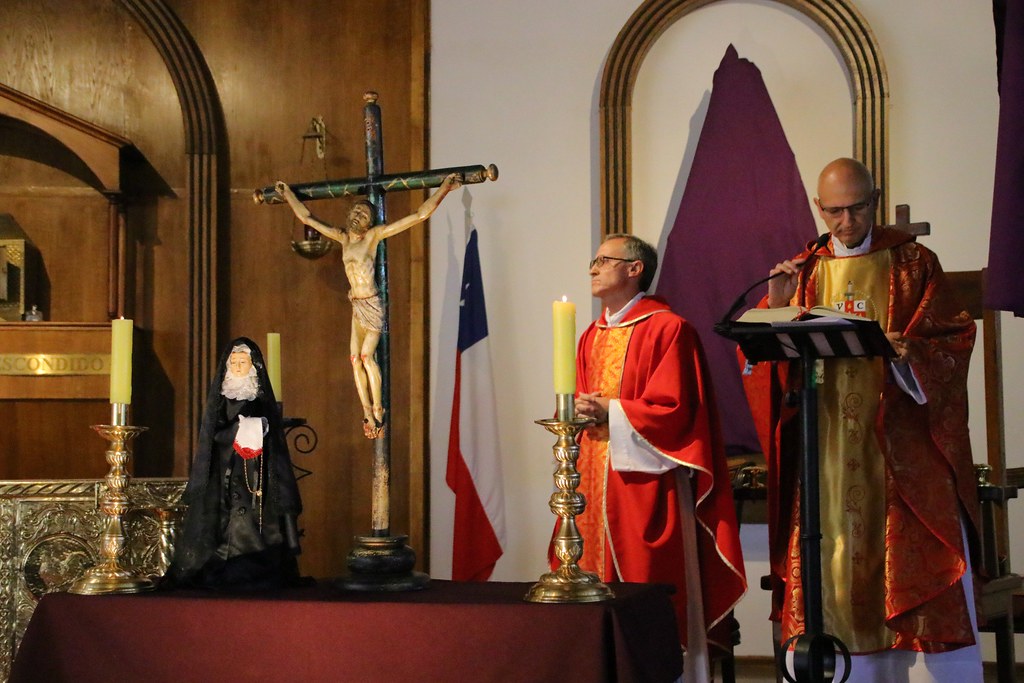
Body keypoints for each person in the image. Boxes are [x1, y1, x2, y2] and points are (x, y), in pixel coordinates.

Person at [742, 158, 981, 680]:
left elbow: (952, 340)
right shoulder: (802, 270)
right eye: (834, 211)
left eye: (857, 207)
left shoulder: (913, 262)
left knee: (906, 553)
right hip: (824, 448)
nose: (846, 221)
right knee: (830, 557)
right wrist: (778, 305)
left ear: (874, 200)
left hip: (897, 446)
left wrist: (907, 353)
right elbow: (763, 365)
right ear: (818, 208)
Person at [572, 234, 746, 683]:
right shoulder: (591, 334)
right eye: (594, 260)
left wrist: (610, 409)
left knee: (645, 583)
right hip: (592, 478)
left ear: (635, 270)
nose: (593, 268)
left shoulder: (669, 329)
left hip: (646, 484)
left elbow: (676, 411)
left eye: (604, 260)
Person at [276, 174, 462, 438]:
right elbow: (307, 218)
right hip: (356, 305)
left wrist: (443, 189)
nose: (358, 217)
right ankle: (365, 411)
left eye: (364, 215)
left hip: (372, 304)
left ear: (370, 223)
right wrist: (287, 195)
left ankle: (378, 408)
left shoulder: (373, 237)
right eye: (356, 211)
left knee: (366, 356)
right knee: (354, 359)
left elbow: (418, 216)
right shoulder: (342, 238)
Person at [166, 337, 303, 589]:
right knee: (226, 514)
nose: (239, 367)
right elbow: (212, 433)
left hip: (258, 470)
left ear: (253, 366)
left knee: (257, 516)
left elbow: (272, 433)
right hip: (226, 468)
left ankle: (260, 562)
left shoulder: (259, 399)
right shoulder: (222, 400)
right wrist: (237, 431)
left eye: (244, 362)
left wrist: (260, 428)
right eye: (235, 362)